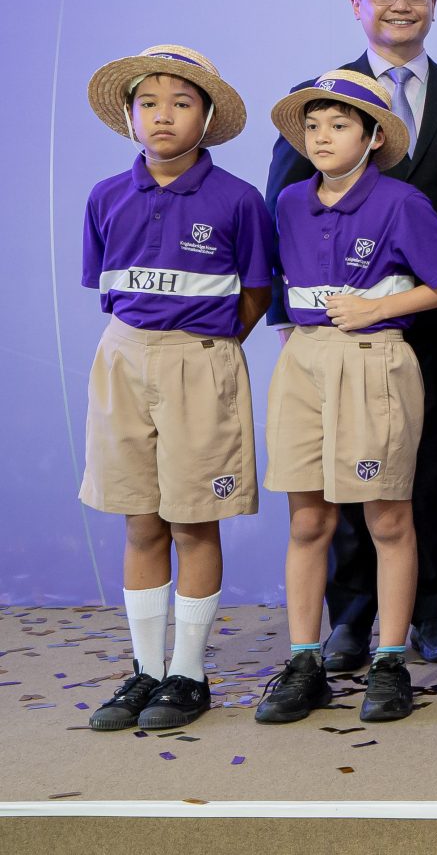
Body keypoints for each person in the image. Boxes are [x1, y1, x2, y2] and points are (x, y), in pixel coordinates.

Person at [261, 0, 437, 668]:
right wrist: (292, 323)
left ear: (434, 5)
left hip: (431, 325)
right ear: (357, 5)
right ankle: (350, 616)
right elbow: (282, 218)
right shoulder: (318, 100)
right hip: (332, 333)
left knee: (430, 471)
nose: (400, 5)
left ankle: (431, 612)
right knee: (333, 480)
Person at [79, 45, 270, 732]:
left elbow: (255, 292)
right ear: (129, 116)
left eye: (181, 102)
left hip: (200, 358)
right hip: (124, 357)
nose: (163, 115)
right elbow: (106, 285)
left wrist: (204, 351)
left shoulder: (238, 199)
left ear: (207, 116)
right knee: (140, 519)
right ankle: (146, 669)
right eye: (149, 103)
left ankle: (188, 672)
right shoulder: (106, 196)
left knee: (193, 519)